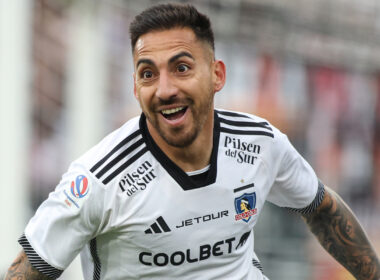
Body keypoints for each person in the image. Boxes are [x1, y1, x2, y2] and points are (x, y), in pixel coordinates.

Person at [4, 3, 380, 280]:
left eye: (181, 68)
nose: (165, 89)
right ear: (135, 87)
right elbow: (28, 270)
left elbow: (322, 208)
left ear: (217, 75)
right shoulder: (99, 180)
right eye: (148, 74)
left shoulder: (260, 143)